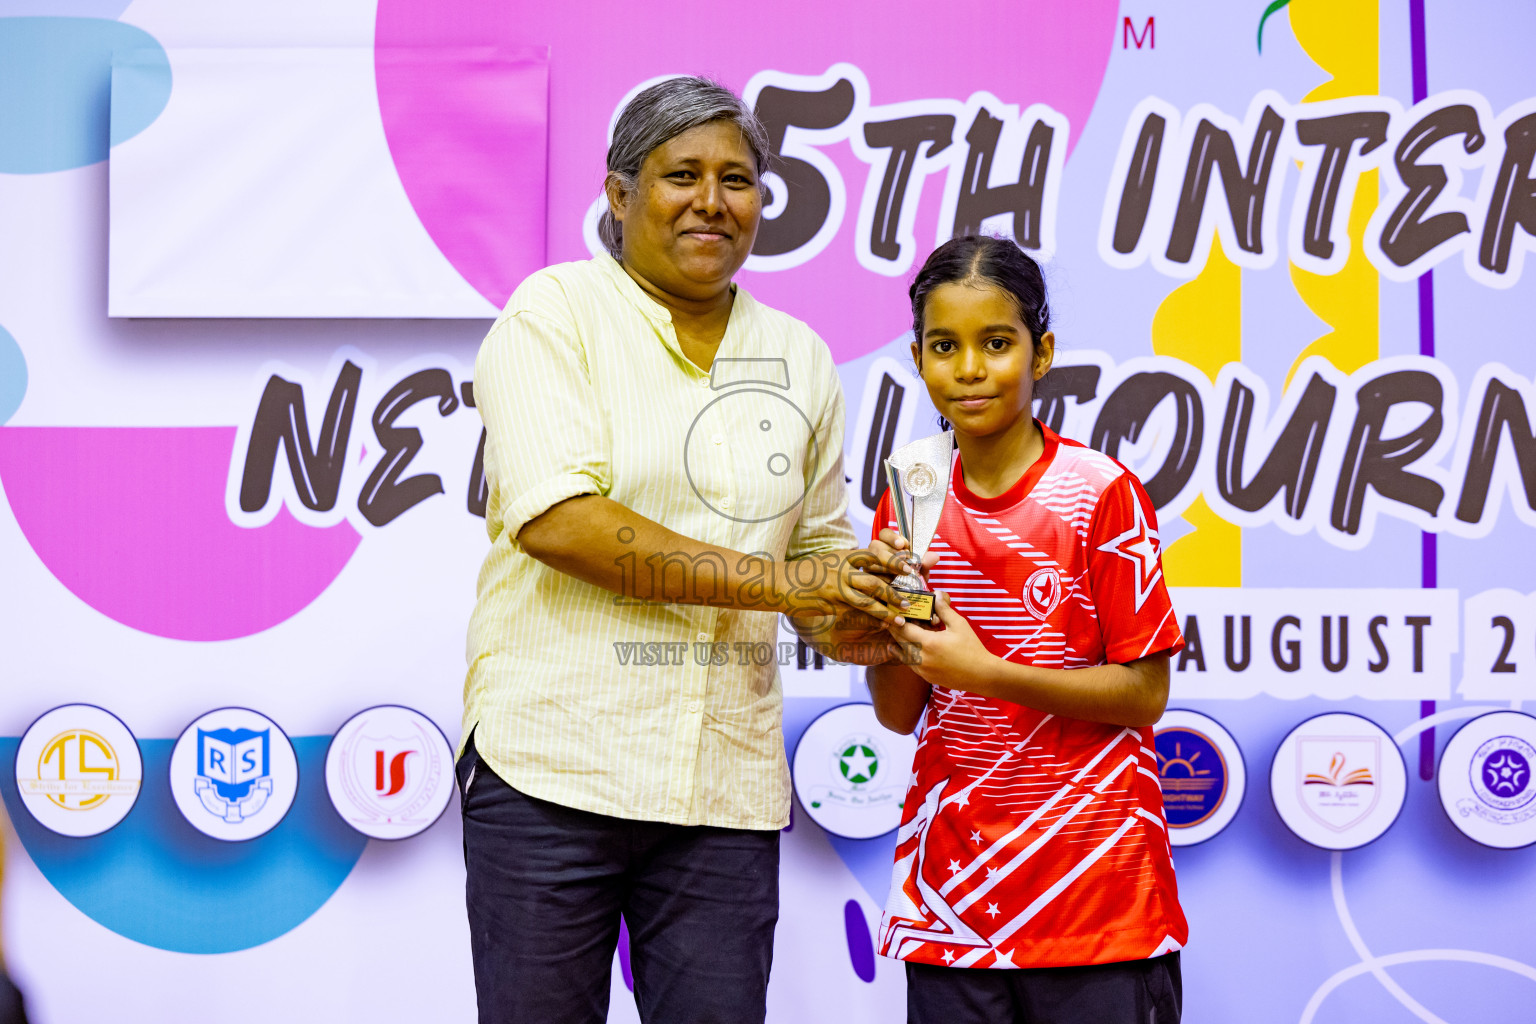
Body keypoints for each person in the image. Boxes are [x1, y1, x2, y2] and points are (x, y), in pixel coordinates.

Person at [461, 76, 911, 1024]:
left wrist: (873, 612)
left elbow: (819, 550)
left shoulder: (799, 355)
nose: (713, 201)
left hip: (725, 788)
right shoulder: (553, 316)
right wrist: (787, 584)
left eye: (738, 179)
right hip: (554, 770)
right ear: (619, 195)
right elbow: (559, 520)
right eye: (682, 175)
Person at [867, 235, 1188, 1024]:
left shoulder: (1099, 491)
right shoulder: (910, 487)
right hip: (952, 906)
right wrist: (889, 614)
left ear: (1041, 352)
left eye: (997, 343)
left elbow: (1145, 694)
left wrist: (985, 671)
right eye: (945, 347)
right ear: (917, 358)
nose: (969, 368)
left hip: (1100, 903)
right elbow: (900, 710)